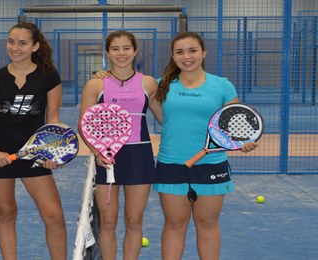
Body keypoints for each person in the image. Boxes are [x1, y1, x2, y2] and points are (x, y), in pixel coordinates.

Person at [152, 31, 258, 260]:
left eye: (193, 50)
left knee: (208, 224)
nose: (186, 56)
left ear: (203, 53)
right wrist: (104, 74)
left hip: (211, 165)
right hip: (171, 165)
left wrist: (243, 143)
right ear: (173, 55)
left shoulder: (223, 86)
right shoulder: (158, 86)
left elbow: (235, 125)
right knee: (174, 224)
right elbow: (131, 90)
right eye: (180, 52)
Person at [0, 22, 67, 259]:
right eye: (11, 42)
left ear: (35, 46)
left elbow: (53, 120)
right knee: (5, 213)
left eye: (22, 43)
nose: (15, 48)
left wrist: (51, 154)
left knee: (54, 215)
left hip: (34, 154)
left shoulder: (49, 77)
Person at [79, 30, 161, 260]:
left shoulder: (149, 83)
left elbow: (166, 117)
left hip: (140, 156)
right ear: (107, 53)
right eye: (115, 48)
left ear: (135, 51)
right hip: (107, 157)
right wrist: (97, 153)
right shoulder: (95, 85)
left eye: (126, 48)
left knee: (134, 220)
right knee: (109, 221)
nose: (121, 53)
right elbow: (84, 125)